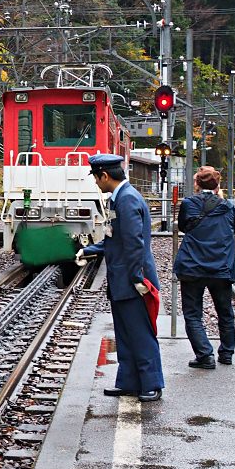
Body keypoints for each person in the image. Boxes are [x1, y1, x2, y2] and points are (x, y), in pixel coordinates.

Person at [76, 154, 164, 402]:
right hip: (123, 279)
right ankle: (129, 382)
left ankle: (151, 383)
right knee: (125, 333)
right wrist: (88, 250)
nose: (95, 182)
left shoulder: (126, 200)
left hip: (132, 280)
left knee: (140, 333)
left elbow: (135, 243)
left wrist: (137, 278)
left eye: (95, 177)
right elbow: (115, 238)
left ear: (104, 176)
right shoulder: (120, 199)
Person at [174, 166, 235, 369]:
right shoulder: (227, 206)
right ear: (217, 185)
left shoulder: (188, 204)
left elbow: (183, 226)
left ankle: (205, 355)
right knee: (225, 311)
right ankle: (227, 353)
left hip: (192, 266)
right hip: (220, 266)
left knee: (193, 313)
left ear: (196, 184)